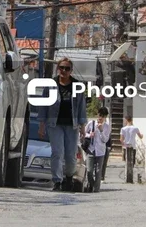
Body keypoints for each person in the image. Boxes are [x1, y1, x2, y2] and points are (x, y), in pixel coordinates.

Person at [38, 58, 87, 191]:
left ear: (71, 70)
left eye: (67, 68)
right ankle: (57, 181)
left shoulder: (77, 86)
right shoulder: (50, 85)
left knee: (70, 155)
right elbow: (43, 105)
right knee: (57, 153)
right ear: (57, 68)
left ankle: (69, 177)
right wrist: (41, 125)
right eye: (61, 68)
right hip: (54, 124)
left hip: (72, 125)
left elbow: (82, 107)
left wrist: (83, 128)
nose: (63, 71)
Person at [84, 106, 110, 193]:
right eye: (99, 115)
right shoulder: (91, 123)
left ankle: (96, 189)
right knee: (89, 170)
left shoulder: (107, 127)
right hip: (91, 149)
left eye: (103, 116)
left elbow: (105, 140)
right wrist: (89, 135)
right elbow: (83, 134)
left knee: (98, 171)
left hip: (101, 151)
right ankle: (92, 184)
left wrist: (101, 130)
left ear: (105, 117)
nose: (100, 118)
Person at [120, 116, 143, 183]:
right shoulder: (135, 128)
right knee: (132, 162)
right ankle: (131, 176)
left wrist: (123, 144)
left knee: (126, 161)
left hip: (126, 147)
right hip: (133, 146)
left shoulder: (123, 129)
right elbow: (140, 136)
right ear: (131, 120)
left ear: (126, 120)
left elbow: (121, 139)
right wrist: (142, 135)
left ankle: (126, 176)